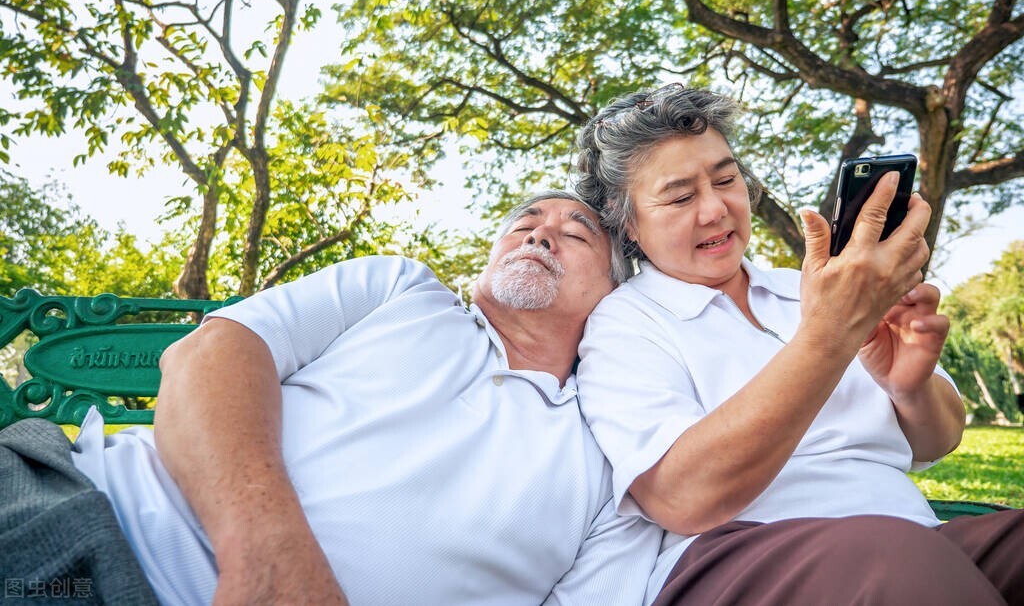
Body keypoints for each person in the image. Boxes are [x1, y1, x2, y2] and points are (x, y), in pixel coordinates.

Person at [64, 190, 660, 605]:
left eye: (575, 233)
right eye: (524, 222)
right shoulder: (400, 290)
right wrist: (270, 557)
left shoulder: (615, 459)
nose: (540, 232)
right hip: (98, 526)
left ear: (615, 294)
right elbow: (206, 356)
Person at [573, 84, 1024, 606]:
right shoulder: (624, 322)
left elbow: (938, 440)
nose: (716, 209)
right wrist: (829, 335)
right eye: (680, 197)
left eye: (726, 179)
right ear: (626, 220)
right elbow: (681, 497)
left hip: (916, 535)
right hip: (738, 556)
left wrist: (909, 386)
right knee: (895, 558)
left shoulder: (807, 285)